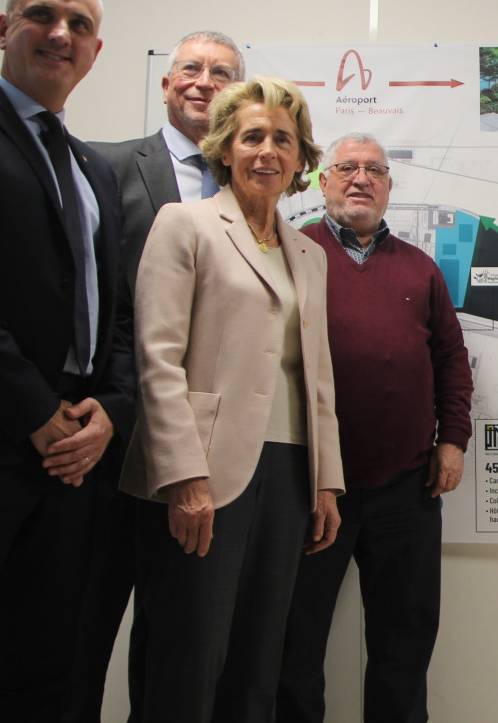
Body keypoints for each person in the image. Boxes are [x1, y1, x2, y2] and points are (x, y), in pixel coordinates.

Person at [0, 0, 134, 721]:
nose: (60, 33)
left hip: (73, 462)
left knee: (43, 674)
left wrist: (109, 407)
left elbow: (113, 314)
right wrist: (33, 410)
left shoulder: (92, 170)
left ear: (96, 50)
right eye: (42, 15)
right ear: (3, 29)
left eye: (78, 24)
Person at [119, 76, 344, 723]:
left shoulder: (308, 252)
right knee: (189, 657)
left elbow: (317, 376)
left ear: (301, 159)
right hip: (205, 473)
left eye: (284, 139)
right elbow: (157, 359)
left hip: (289, 476)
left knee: (257, 663)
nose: (267, 151)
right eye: (253, 137)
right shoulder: (184, 223)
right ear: (225, 148)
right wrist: (184, 476)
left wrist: (327, 481)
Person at [60, 31, 245, 722]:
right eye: (189, 70)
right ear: (166, 86)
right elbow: (85, 295)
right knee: (78, 634)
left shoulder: (252, 190)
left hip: (202, 461)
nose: (203, 81)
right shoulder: (104, 167)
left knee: (174, 650)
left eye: (221, 72)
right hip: (111, 442)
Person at [278, 132, 474, 723]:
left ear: (389, 187)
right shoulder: (292, 255)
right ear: (322, 180)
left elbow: (451, 361)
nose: (361, 179)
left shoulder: (421, 268)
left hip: (407, 491)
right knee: (295, 643)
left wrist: (453, 439)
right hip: (311, 488)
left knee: (404, 643)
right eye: (347, 168)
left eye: (374, 171)